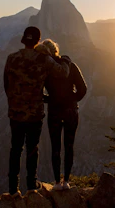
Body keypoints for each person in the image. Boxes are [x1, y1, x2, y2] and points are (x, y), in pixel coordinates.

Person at [3, 27, 70, 196]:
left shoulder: (12, 58)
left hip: (15, 112)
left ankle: (13, 189)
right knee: (32, 148)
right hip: (34, 113)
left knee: (15, 149)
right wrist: (66, 60)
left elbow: (6, 84)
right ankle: (32, 186)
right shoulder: (43, 59)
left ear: (24, 40)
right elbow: (62, 73)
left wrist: (14, 101)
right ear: (37, 41)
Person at [37, 39, 87, 190]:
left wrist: (50, 99)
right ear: (56, 50)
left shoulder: (45, 70)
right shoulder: (70, 66)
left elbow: (38, 92)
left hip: (54, 112)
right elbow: (83, 89)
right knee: (69, 146)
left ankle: (57, 183)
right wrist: (71, 100)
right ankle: (66, 182)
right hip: (71, 111)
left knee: (55, 147)